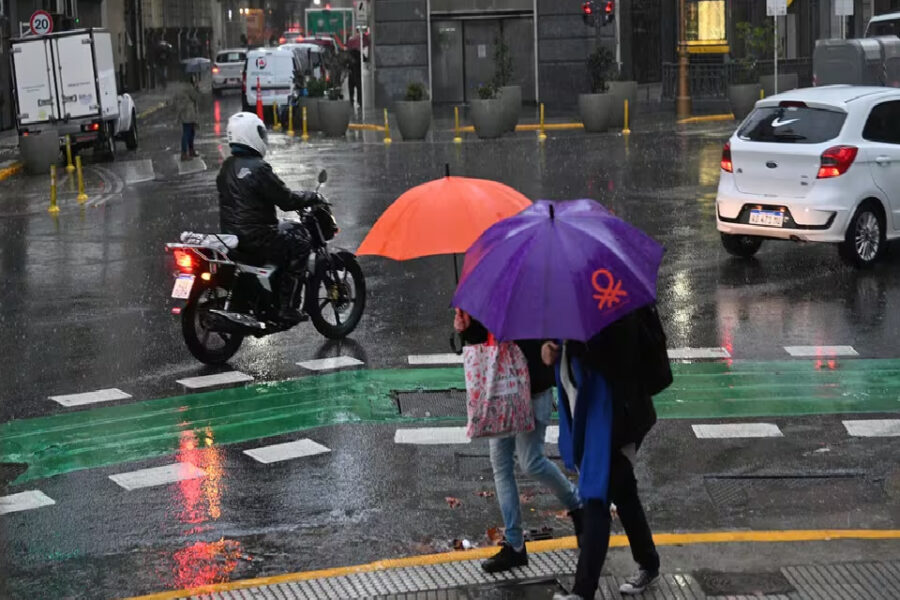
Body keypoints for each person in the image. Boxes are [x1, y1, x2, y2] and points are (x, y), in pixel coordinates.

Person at [454, 309, 583, 573]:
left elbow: (552, 331)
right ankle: (514, 545)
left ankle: (578, 506)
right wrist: (467, 328)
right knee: (501, 466)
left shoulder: (537, 290)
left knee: (531, 462)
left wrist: (545, 346)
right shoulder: (493, 292)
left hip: (533, 387)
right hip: (499, 387)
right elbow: (483, 336)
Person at [546, 307, 661, 599]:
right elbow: (569, 377)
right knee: (624, 493)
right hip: (596, 426)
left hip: (620, 422)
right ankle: (649, 563)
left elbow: (619, 360)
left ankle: (582, 591)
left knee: (596, 500)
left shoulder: (617, 311)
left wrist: (579, 346)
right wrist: (552, 352)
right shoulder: (571, 316)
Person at [217, 112, 323, 324]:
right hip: (258, 237)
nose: (263, 137)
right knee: (301, 241)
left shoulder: (227, 166)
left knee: (285, 234)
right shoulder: (259, 168)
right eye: (260, 132)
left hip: (232, 236)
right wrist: (312, 196)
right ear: (249, 134)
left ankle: (267, 294)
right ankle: (286, 307)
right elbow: (286, 199)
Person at [175, 75, 201, 161]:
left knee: (190, 132)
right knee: (187, 133)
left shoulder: (181, 86)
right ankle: (184, 153)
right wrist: (196, 88)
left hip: (184, 113)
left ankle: (191, 150)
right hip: (189, 113)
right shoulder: (189, 88)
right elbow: (196, 97)